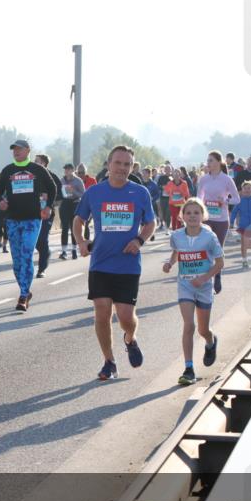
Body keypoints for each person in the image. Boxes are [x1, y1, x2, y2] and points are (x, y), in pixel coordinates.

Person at [73, 145, 156, 380]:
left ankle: (130, 338)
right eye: (118, 163)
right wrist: (81, 241)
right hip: (100, 263)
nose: (122, 168)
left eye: (127, 164)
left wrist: (139, 240)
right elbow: (78, 220)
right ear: (108, 164)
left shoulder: (140, 193)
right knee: (102, 313)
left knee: (126, 318)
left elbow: (150, 223)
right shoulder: (94, 192)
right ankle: (109, 361)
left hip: (128, 265)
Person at [163, 198, 224, 385]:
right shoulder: (176, 236)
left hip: (204, 287)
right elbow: (176, 252)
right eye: (188, 213)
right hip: (185, 285)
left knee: (203, 329)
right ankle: (188, 369)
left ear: (203, 215)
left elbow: (220, 263)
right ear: (182, 216)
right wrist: (170, 263)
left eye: (196, 213)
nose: (192, 216)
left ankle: (210, 341)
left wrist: (204, 278)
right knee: (189, 325)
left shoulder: (209, 237)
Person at [0, 139, 57, 311]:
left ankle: (23, 295)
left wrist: (48, 206)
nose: (16, 152)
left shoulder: (38, 169)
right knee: (17, 261)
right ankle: (25, 291)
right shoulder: (8, 170)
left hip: (32, 219)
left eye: (19, 149)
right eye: (14, 149)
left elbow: (53, 188)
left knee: (27, 254)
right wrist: (0, 202)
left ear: (28, 150)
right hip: (12, 220)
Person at [196, 150, 239, 294]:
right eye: (207, 160)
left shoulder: (227, 179)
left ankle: (218, 275)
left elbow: (236, 199)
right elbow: (199, 198)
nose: (208, 163)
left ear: (219, 162)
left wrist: (225, 200)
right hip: (207, 219)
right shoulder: (203, 179)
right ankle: (206, 278)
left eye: (211, 160)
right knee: (205, 249)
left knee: (217, 250)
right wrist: (199, 208)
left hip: (221, 220)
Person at [34, 154, 61, 278]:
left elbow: (60, 193)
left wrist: (48, 198)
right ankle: (46, 252)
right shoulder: (31, 175)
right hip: (32, 212)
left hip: (46, 212)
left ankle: (41, 269)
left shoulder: (52, 177)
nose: (34, 163)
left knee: (42, 239)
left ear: (44, 163)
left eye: (37, 161)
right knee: (34, 241)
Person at [230, 180, 251, 268]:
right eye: (245, 188)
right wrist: (231, 222)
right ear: (242, 189)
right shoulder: (239, 201)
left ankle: (246, 248)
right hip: (243, 224)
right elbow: (234, 212)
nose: (247, 190)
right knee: (244, 244)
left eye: (249, 188)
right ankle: (244, 260)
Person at [57, 163, 86, 260]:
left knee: (74, 228)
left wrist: (73, 191)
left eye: (68, 169)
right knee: (64, 228)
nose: (66, 171)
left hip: (75, 204)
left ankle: (74, 251)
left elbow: (83, 194)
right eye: (65, 169)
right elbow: (58, 192)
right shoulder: (62, 180)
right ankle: (64, 252)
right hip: (65, 204)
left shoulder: (78, 181)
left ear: (73, 170)